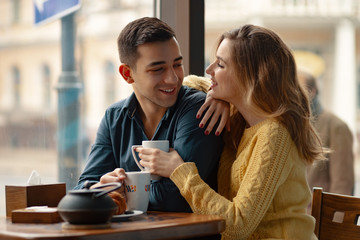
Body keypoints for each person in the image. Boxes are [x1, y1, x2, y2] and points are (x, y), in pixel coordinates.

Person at [136, 24, 325, 239]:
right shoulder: (239, 117)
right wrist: (216, 96)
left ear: (251, 76)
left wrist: (178, 170)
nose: (209, 70)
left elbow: (237, 226)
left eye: (221, 65)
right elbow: (189, 82)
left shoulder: (274, 134)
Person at [74, 17, 226, 213]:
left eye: (177, 65)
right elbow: (81, 189)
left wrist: (117, 192)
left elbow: (177, 199)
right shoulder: (114, 118)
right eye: (158, 69)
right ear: (127, 74)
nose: (172, 78)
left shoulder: (199, 109)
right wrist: (98, 187)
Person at [298, 70, 354, 195]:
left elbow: (342, 184)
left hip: (319, 212)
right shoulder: (293, 124)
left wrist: (336, 214)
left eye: (299, 89)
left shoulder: (336, 126)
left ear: (312, 91)